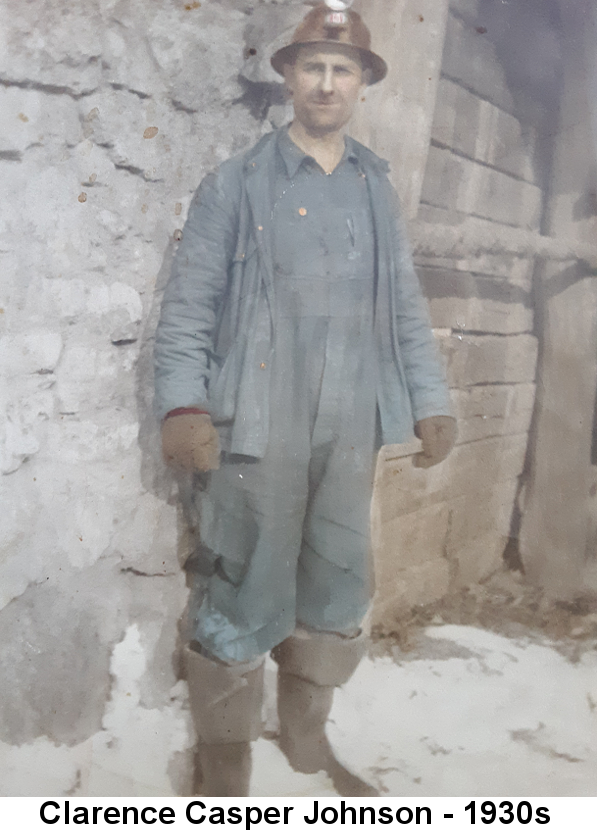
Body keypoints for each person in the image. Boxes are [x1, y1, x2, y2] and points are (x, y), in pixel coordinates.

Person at [154, 1, 456, 797]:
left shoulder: (372, 188)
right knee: (245, 575)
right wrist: (182, 405)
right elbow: (187, 308)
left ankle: (305, 737)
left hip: (349, 422)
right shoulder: (237, 185)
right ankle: (223, 759)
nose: (326, 82)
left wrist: (429, 400)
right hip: (258, 421)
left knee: (334, 575)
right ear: (287, 76)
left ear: (362, 85)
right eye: (312, 66)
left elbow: (404, 309)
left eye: (342, 68)